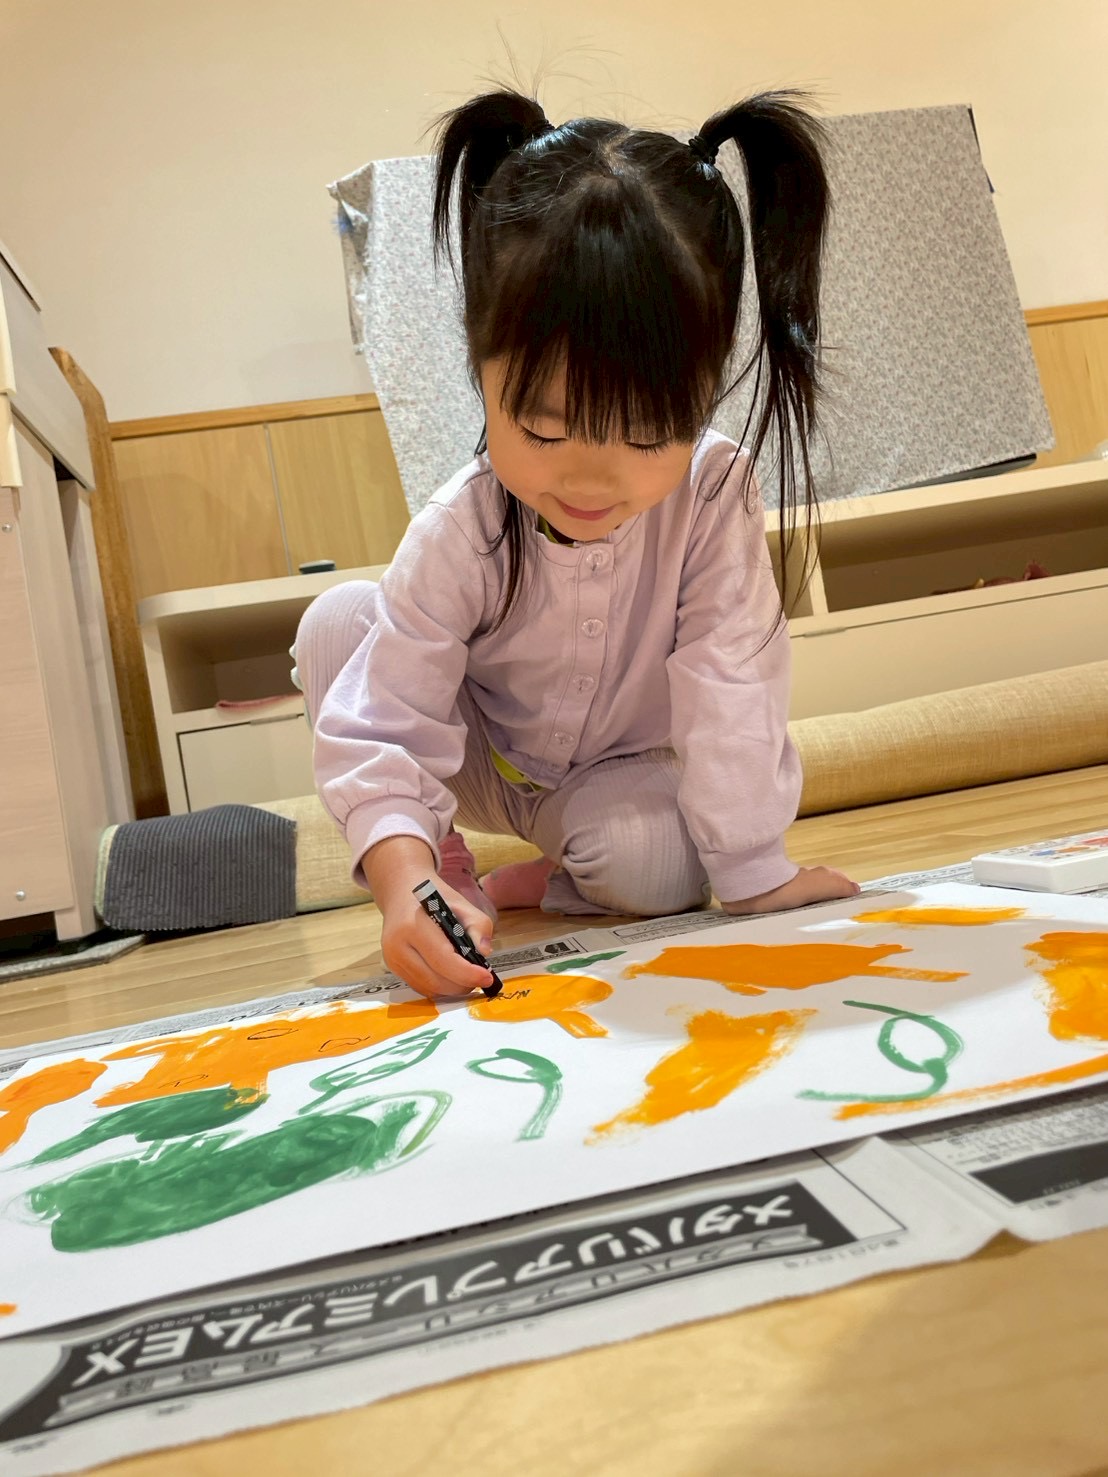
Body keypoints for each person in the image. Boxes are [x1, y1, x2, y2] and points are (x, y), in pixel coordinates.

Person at [295, 87, 859, 1001]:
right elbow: (389, 714)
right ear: (480, 367)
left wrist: (756, 871)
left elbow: (732, 675)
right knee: (339, 624)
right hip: (475, 757)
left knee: (659, 868)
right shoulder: (467, 521)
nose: (592, 481)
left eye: (648, 433)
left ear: (706, 389)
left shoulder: (714, 490)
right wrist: (402, 880)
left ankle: (546, 879)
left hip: (613, 776)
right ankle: (440, 865)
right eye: (545, 429)